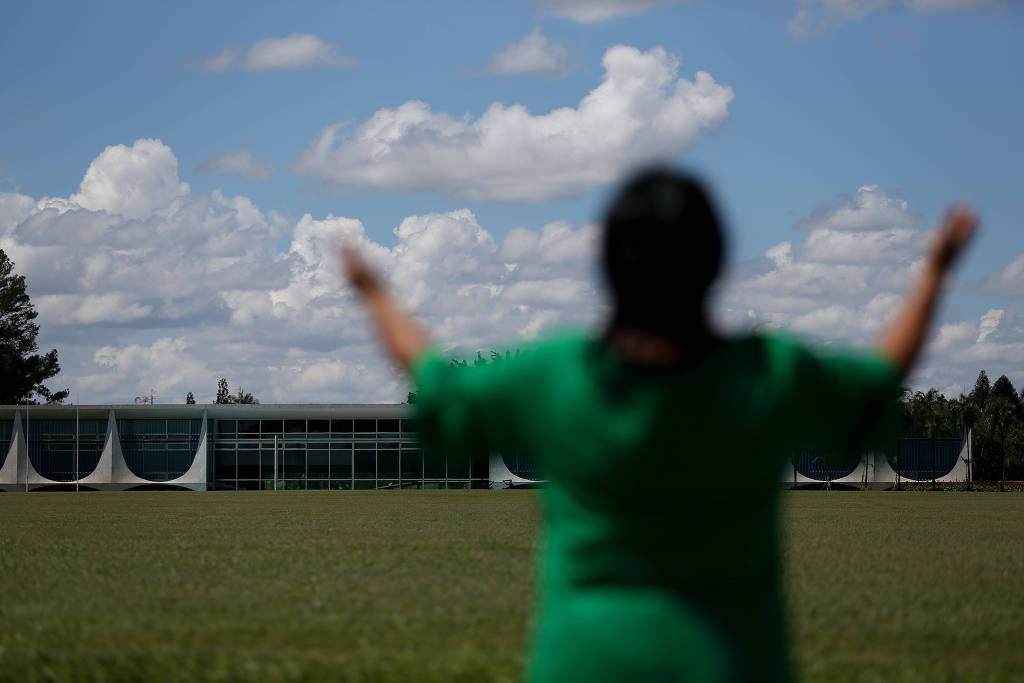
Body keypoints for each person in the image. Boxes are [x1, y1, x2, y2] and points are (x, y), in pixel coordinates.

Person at [341, 169, 977, 682]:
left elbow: (438, 382)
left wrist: (374, 292)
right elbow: (877, 379)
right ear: (716, 262)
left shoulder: (555, 375)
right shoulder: (770, 374)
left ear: (609, 267)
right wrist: (935, 272)